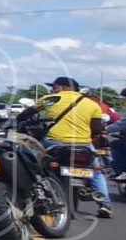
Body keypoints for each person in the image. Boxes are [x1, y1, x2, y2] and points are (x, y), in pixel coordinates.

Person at [36, 76, 111, 218]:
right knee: (95, 171)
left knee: (36, 164)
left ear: (65, 87)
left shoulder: (49, 99)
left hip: (54, 142)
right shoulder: (92, 104)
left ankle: (39, 194)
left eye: (55, 87)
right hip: (83, 144)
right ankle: (105, 204)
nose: (53, 89)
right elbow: (96, 129)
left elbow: (25, 115)